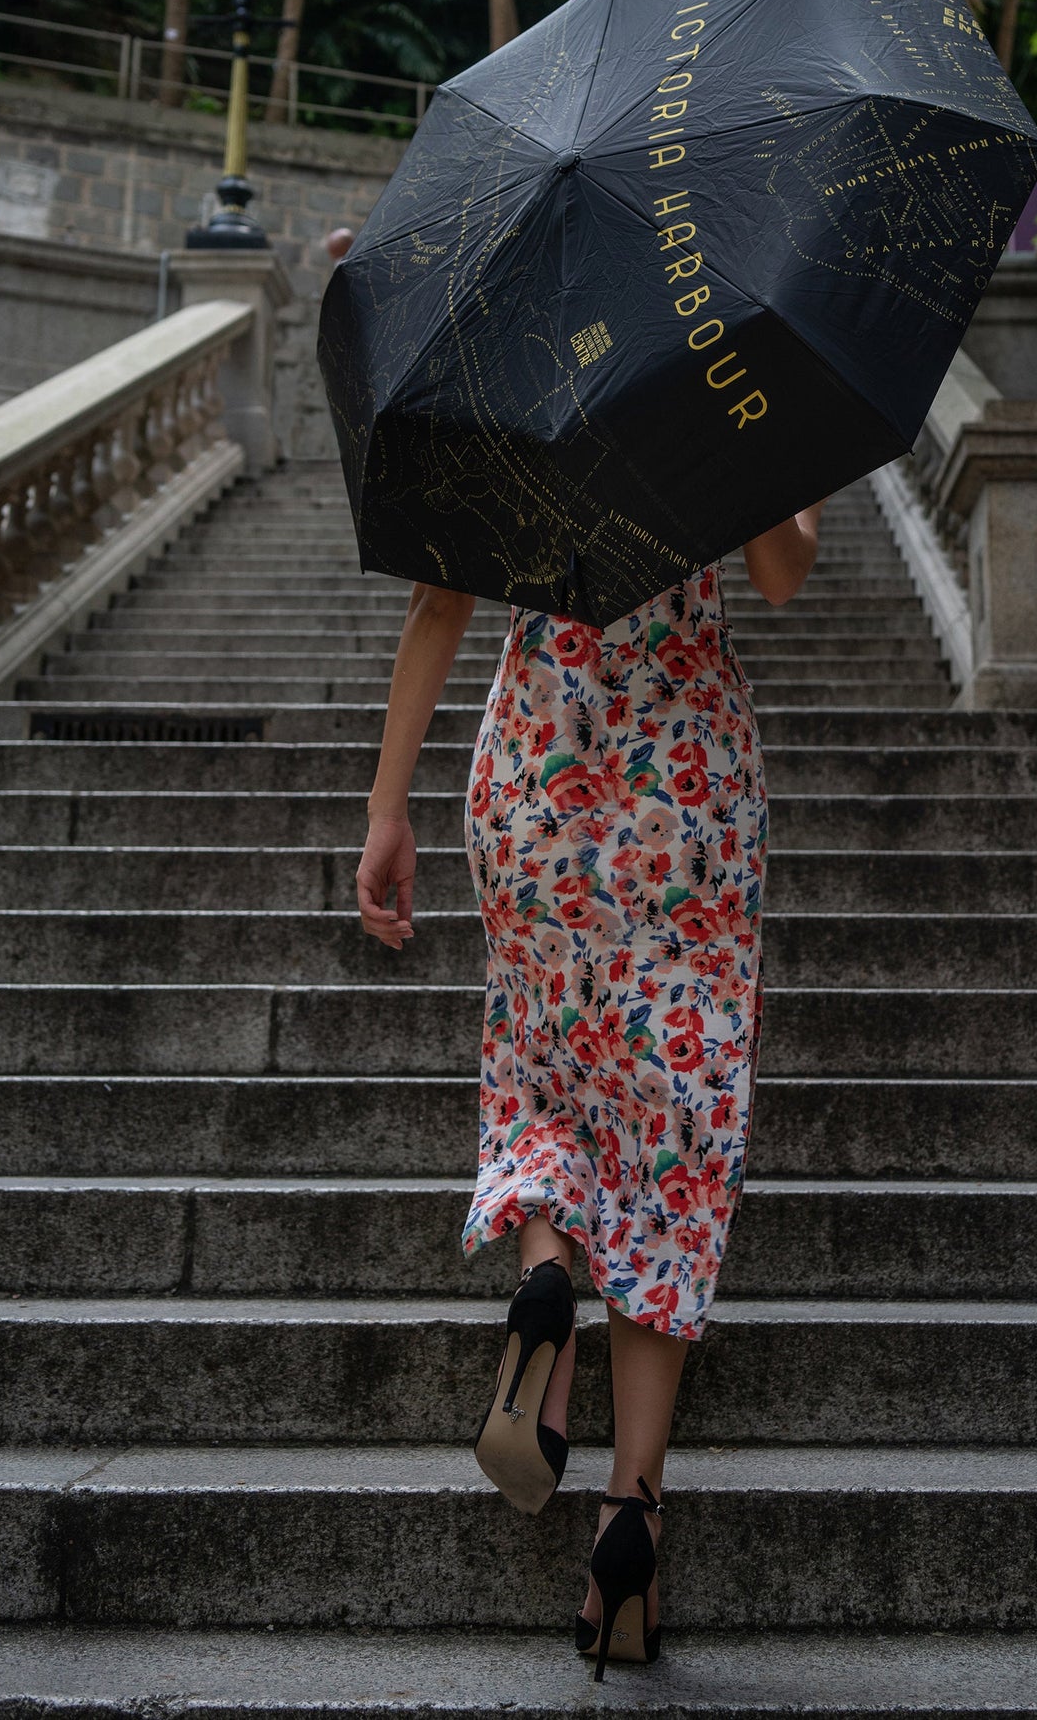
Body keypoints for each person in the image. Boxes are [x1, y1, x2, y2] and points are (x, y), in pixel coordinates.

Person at [355, 506, 823, 1676]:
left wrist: (384, 808)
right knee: (671, 1140)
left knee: (538, 1072)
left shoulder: (513, 358)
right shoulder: (731, 364)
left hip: (534, 770)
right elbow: (777, 574)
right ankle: (629, 1519)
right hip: (685, 794)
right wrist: (747, 444)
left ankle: (547, 1279)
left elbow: (439, 603)